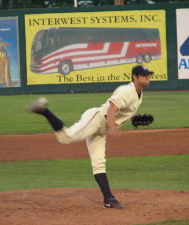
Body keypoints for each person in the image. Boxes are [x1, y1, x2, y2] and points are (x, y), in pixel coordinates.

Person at [26, 65, 153, 209]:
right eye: (144, 75)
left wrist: (131, 118)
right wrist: (112, 127)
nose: (147, 76)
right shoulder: (127, 91)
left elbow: (121, 111)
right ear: (135, 77)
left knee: (99, 163)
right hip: (96, 119)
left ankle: (108, 199)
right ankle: (44, 110)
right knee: (66, 137)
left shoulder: (138, 93)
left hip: (101, 129)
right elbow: (112, 107)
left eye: (148, 74)